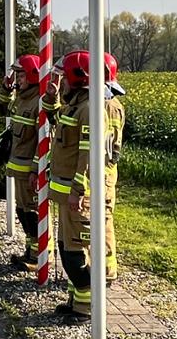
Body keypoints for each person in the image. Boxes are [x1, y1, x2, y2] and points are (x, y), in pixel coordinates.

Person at [46, 50, 125, 322]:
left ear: (79, 78)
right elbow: (60, 128)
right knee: (69, 246)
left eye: (64, 77)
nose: (61, 82)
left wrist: (79, 191)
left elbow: (90, 154)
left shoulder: (93, 108)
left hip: (80, 192)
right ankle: (77, 301)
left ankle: (86, 307)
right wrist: (51, 98)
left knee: (78, 249)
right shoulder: (78, 105)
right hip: (68, 190)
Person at [0, 54, 45, 270]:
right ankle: (30, 251)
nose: (17, 78)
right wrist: (6, 89)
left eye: (20, 74)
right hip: (18, 168)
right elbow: (2, 108)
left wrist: (36, 169)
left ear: (33, 75)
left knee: (32, 213)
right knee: (22, 212)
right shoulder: (22, 97)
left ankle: (39, 255)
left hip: (29, 171)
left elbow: (44, 141)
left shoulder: (39, 101)